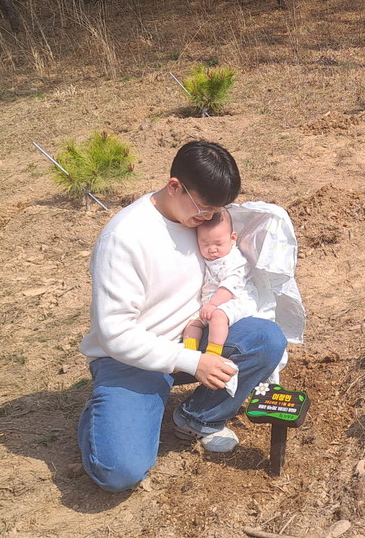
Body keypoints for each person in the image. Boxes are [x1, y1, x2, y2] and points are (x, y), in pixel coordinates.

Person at [77, 141, 287, 493]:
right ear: (175, 186)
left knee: (266, 339)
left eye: (216, 211)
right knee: (119, 471)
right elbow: (115, 334)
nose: (208, 220)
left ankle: (197, 417)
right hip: (130, 359)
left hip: (192, 338)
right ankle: (104, 412)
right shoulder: (124, 238)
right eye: (204, 210)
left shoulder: (195, 218)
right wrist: (193, 361)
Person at [182, 207, 258, 359]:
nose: (212, 249)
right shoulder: (206, 260)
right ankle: (189, 355)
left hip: (234, 301)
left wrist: (213, 304)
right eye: (205, 244)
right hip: (209, 305)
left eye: (218, 243)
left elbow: (229, 288)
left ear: (232, 238)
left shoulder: (235, 261)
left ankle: (213, 353)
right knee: (192, 324)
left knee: (218, 316)